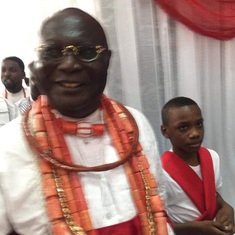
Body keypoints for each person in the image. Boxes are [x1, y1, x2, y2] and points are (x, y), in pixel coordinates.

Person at [0, 8, 174, 235]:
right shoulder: (8, 145)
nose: (70, 64)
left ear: (107, 61)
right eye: (53, 52)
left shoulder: (136, 126)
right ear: (38, 63)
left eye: (87, 51)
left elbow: (158, 210)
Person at [160, 96, 235, 235]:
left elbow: (213, 194)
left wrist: (226, 207)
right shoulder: (161, 172)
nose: (195, 133)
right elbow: (157, 222)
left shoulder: (212, 157)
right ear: (165, 131)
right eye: (183, 127)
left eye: (199, 124)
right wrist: (196, 228)